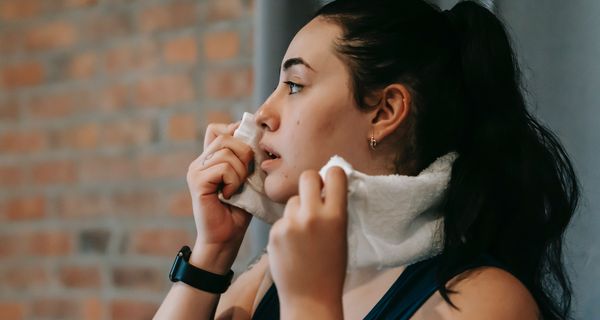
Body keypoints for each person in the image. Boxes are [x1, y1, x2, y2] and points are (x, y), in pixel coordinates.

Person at [155, 0, 580, 319]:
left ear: (384, 112)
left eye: (296, 85)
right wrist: (214, 251)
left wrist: (309, 303)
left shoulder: (484, 300)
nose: (264, 113)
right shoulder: (268, 273)